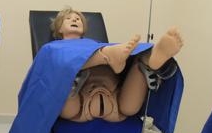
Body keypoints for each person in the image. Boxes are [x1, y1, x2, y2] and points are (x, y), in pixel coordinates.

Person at [51, 7, 183, 123]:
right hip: (77, 99)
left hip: (112, 95)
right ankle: (108, 57)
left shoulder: (95, 44)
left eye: (78, 19)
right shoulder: (52, 48)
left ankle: (147, 60)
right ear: (59, 28)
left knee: (129, 108)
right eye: (68, 18)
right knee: (68, 105)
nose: (74, 19)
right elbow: (46, 71)